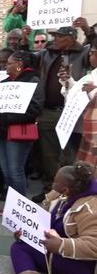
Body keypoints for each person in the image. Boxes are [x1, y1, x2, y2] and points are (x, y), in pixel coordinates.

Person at [1, 162, 97, 274]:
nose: (52, 185)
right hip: (52, 248)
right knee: (19, 247)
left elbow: (93, 245)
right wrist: (26, 229)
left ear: (67, 189)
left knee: (67, 260)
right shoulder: (58, 195)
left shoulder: (91, 208)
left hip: (81, 261)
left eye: (55, 182)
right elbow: (42, 217)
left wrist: (61, 245)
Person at [24, 25, 93, 203]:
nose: (56, 39)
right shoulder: (47, 53)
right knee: (48, 154)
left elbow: (94, 47)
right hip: (49, 111)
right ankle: (50, 189)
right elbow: (27, 58)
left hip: (73, 112)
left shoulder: (84, 53)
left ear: (71, 37)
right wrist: (25, 40)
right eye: (55, 36)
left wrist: (87, 30)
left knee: (71, 155)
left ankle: (72, 192)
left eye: (60, 36)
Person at [0, 51, 44, 199]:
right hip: (0, 132)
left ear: (19, 64)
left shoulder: (32, 81)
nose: (5, 66)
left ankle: (20, 208)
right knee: (6, 170)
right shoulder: (4, 83)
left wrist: (9, 117)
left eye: (9, 63)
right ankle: (12, 205)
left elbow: (35, 108)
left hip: (18, 132)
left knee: (15, 170)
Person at [59, 40, 97, 165]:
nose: (90, 56)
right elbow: (73, 94)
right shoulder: (91, 75)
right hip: (79, 127)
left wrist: (92, 93)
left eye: (92, 53)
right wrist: (68, 81)